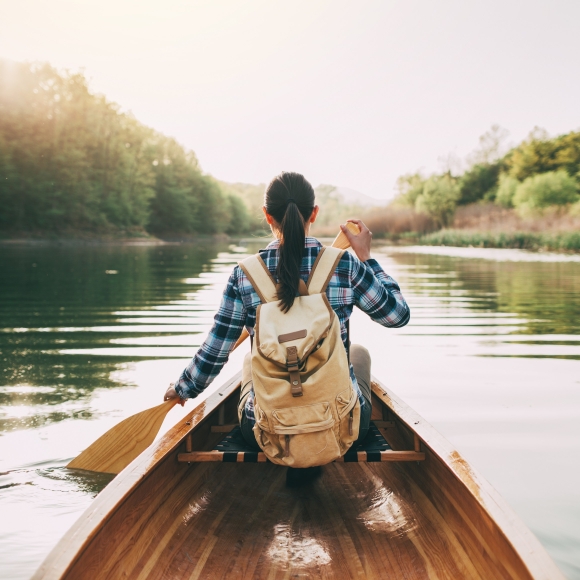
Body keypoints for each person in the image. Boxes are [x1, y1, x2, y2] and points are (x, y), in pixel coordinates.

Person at [164, 172, 410, 478]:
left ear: (268, 216)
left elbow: (214, 352)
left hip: (266, 431)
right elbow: (398, 315)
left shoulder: (244, 275)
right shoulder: (345, 264)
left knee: (248, 361)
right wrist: (366, 257)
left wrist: (182, 388)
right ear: (314, 213)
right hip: (342, 426)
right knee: (358, 353)